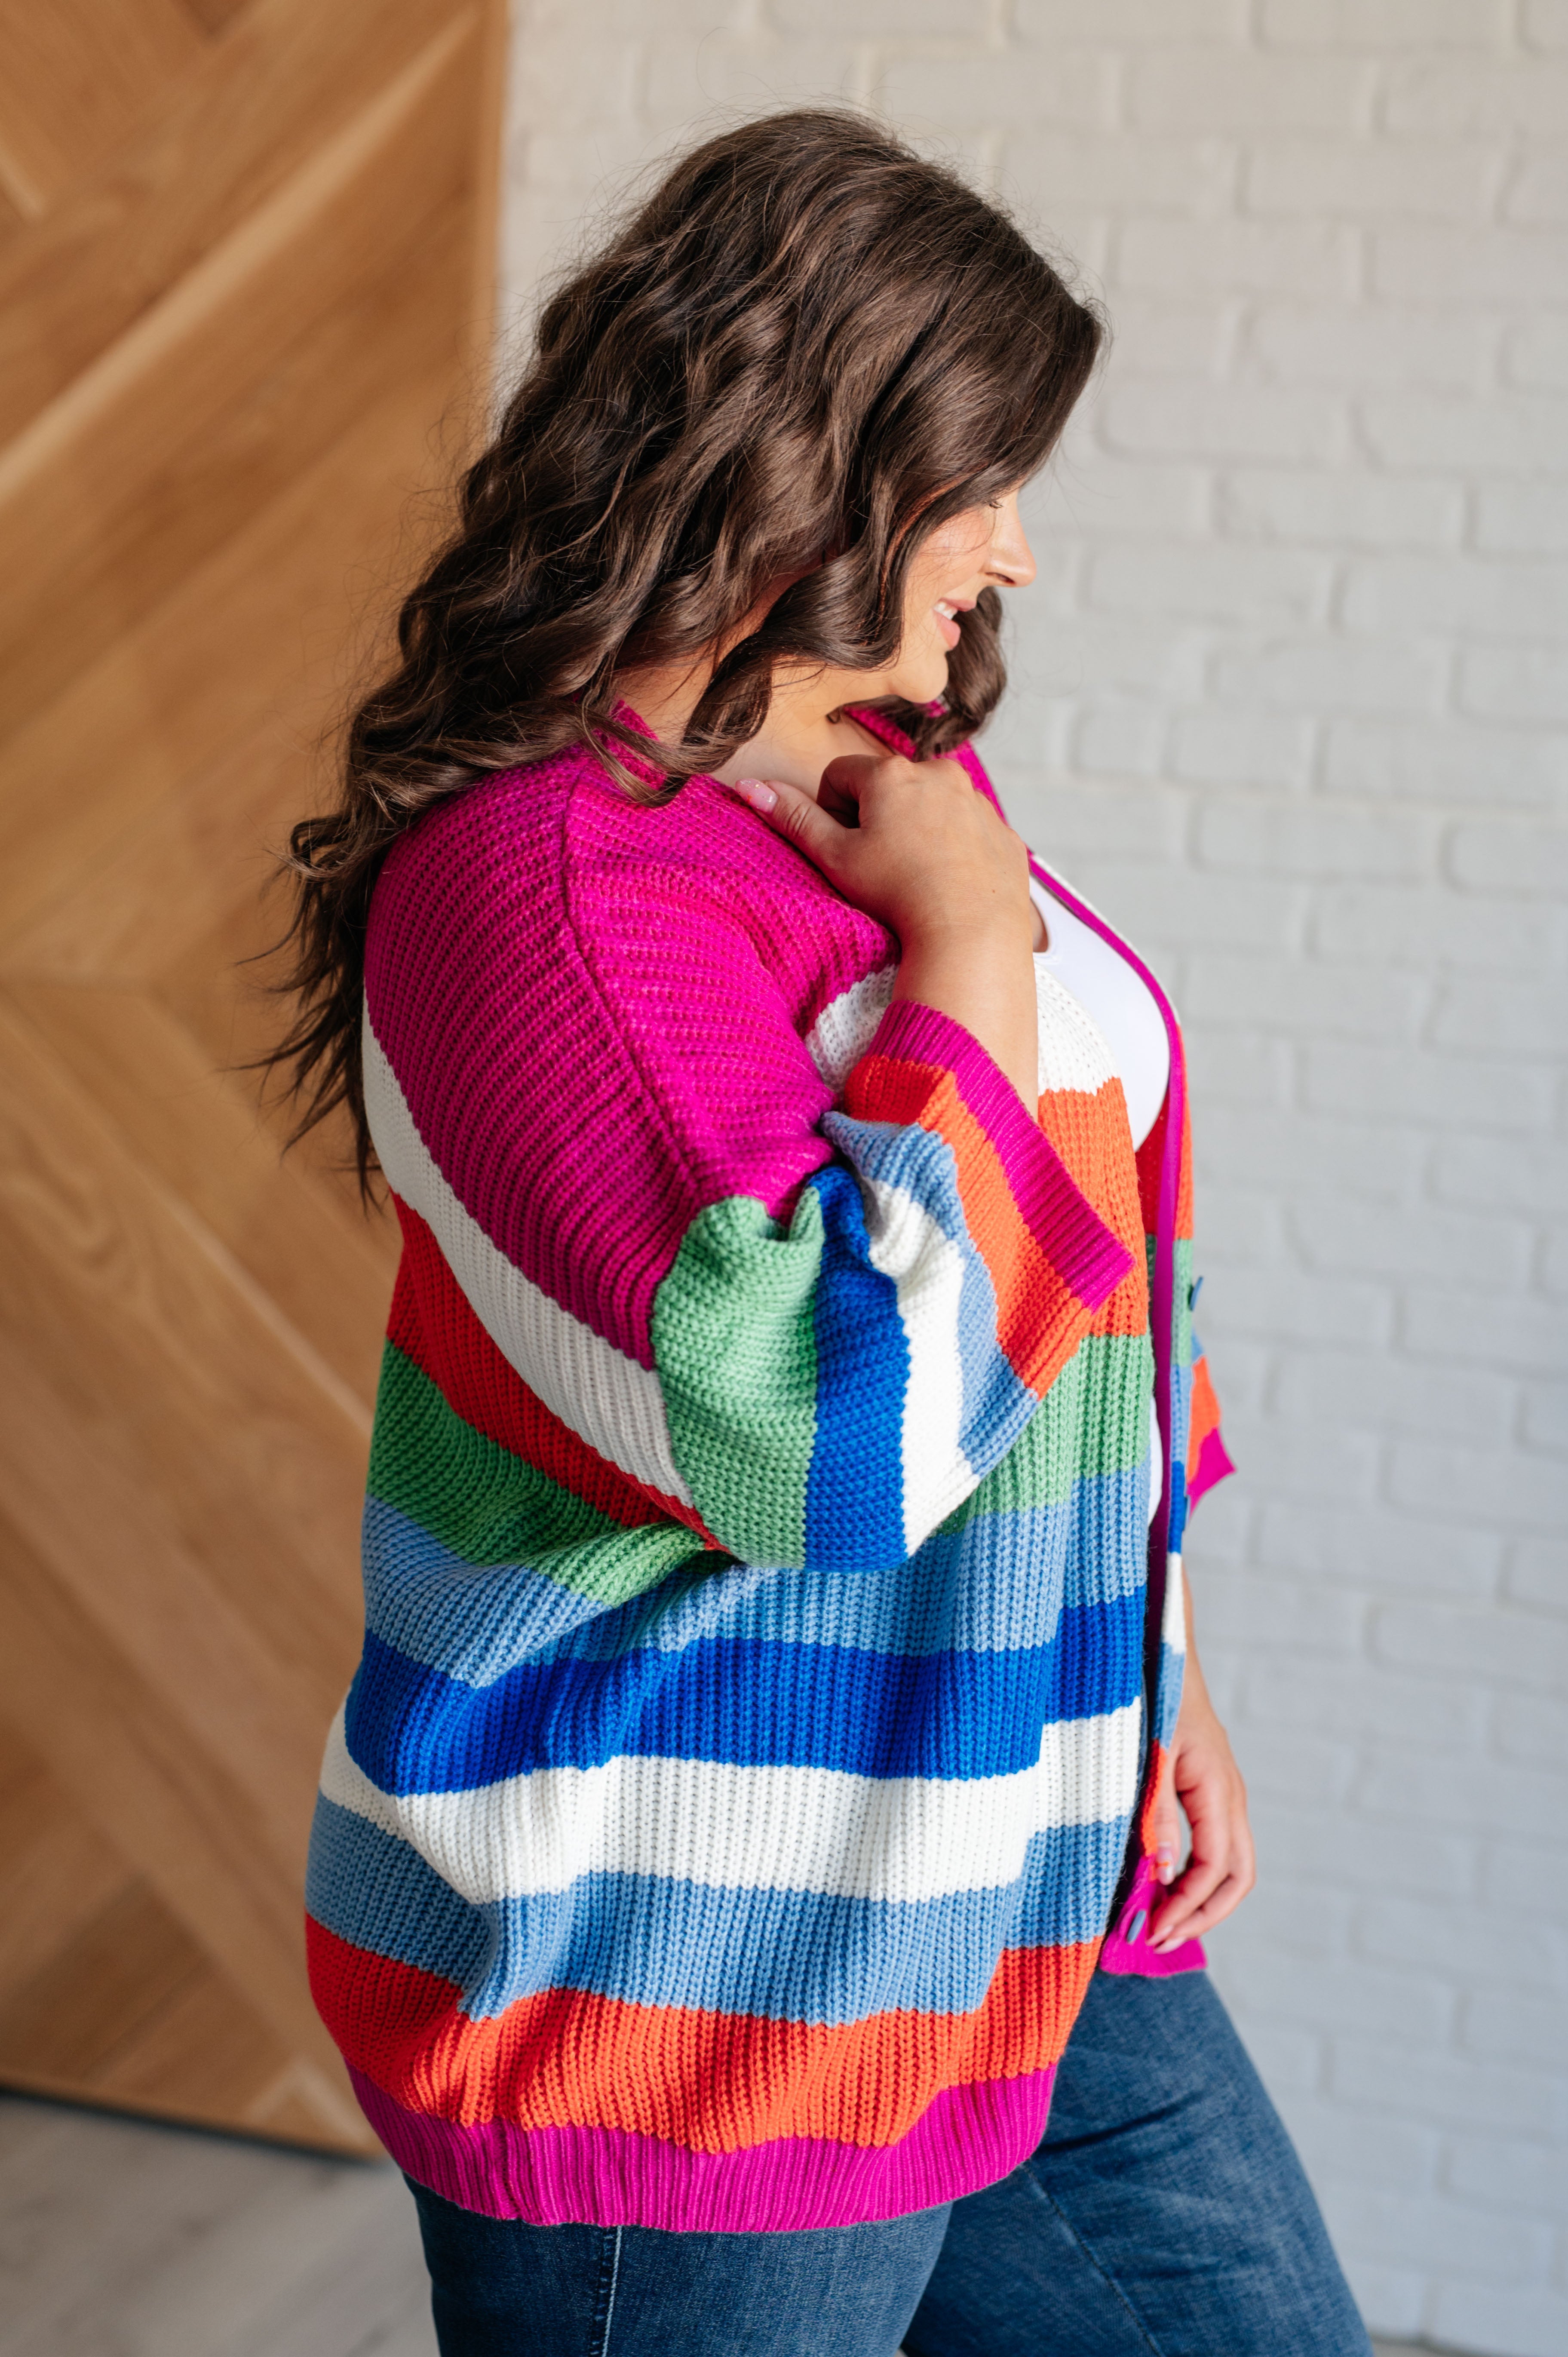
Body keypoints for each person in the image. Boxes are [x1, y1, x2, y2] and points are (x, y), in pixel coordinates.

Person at [269, 109, 1371, 2357]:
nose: (1019, 549)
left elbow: (1086, 1252)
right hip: (695, 1992)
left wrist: (1156, 1666)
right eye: (983, 476)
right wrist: (966, 943)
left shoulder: (878, 788)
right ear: (807, 454)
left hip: (1019, 1871)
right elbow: (819, 1444)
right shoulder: (547, 894)